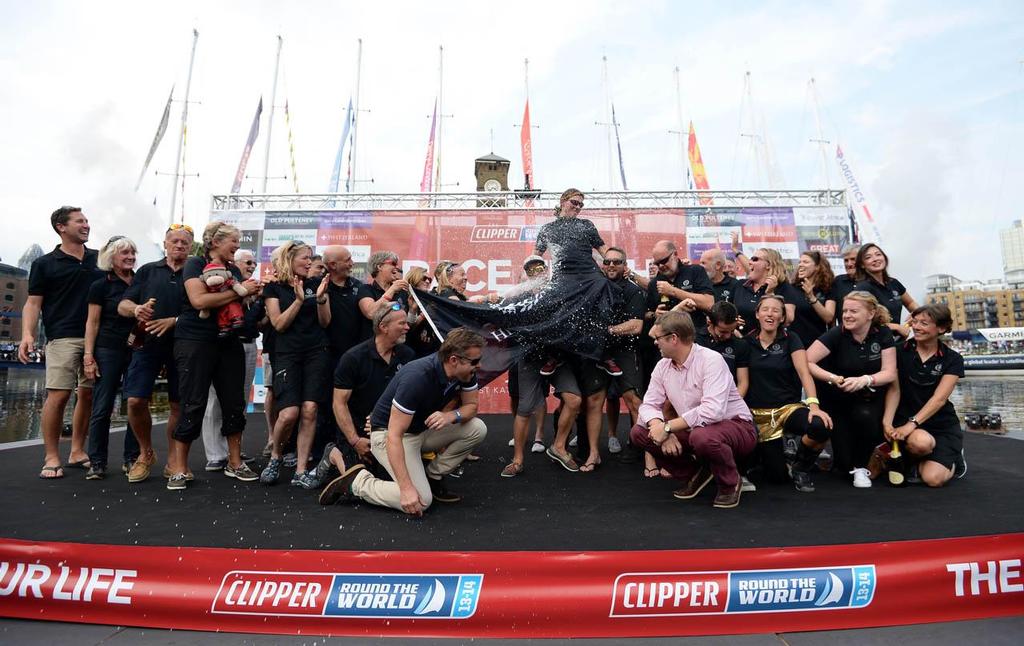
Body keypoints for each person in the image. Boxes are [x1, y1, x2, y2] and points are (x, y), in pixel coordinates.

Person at [318, 328, 488, 515]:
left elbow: (471, 406)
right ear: (454, 360)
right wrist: (406, 489)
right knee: (422, 501)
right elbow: (394, 435)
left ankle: (433, 476)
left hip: (420, 431)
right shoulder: (419, 377)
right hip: (387, 436)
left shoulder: (466, 374)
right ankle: (357, 483)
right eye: (475, 361)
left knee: (477, 428)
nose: (479, 365)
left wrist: (450, 416)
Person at [628, 311, 757, 509]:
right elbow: (649, 405)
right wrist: (660, 427)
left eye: (658, 338)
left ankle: (730, 483)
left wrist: (669, 427)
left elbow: (712, 412)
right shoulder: (662, 366)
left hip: (738, 427)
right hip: (694, 429)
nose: (655, 342)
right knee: (639, 433)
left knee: (702, 437)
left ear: (673, 338)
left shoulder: (711, 360)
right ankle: (697, 473)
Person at [169, 221, 262, 491]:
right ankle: (179, 468)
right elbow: (199, 301)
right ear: (215, 243)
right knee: (193, 402)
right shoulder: (195, 265)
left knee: (233, 402)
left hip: (228, 340)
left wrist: (251, 295)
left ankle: (235, 462)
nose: (237, 246)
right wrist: (239, 291)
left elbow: (233, 302)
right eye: (233, 241)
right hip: (195, 340)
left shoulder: (233, 269)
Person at [20, 206, 104, 479]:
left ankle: (77, 450)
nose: (87, 225)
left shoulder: (100, 259)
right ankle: (51, 455)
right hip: (63, 336)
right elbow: (33, 303)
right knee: (58, 395)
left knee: (88, 393)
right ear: (61, 227)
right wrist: (28, 334)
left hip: (99, 337)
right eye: (80, 221)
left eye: (87, 221)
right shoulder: (44, 263)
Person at [118, 223, 192, 482]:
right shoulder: (148, 271)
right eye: (175, 240)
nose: (179, 245)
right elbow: (124, 304)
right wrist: (136, 309)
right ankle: (145, 452)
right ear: (165, 243)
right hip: (147, 344)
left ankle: (174, 459)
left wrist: (174, 320)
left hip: (183, 345)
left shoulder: (196, 272)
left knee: (177, 405)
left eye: (184, 242)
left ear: (191, 246)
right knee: (135, 401)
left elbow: (205, 309)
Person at [313, 302, 415, 485]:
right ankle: (333, 453)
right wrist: (354, 440)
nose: (408, 327)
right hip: (357, 431)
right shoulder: (353, 358)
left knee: (397, 482)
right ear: (383, 327)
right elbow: (339, 403)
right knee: (356, 488)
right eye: (402, 323)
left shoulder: (407, 355)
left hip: (390, 428)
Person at [743, 295, 833, 492]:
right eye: (765, 309)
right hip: (757, 414)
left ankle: (801, 468)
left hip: (787, 409)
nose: (770, 313)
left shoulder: (791, 338)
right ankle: (771, 458)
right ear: (757, 314)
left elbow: (804, 373)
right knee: (777, 478)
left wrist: (814, 406)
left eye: (776, 310)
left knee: (820, 426)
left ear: (782, 317)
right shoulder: (746, 342)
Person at [259, 241, 331, 488]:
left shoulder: (316, 284)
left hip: (316, 353)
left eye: (311, 258)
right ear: (289, 259)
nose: (310, 262)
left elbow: (325, 322)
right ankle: (276, 457)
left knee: (310, 409)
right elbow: (278, 324)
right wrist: (299, 301)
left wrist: (320, 299)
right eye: (305, 258)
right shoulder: (273, 289)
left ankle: (301, 469)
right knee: (289, 413)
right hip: (287, 354)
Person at [806, 291, 896, 486]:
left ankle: (863, 466)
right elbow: (808, 360)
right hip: (839, 401)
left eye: (854, 311)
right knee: (843, 466)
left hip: (869, 399)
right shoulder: (837, 333)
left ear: (871, 314)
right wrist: (832, 378)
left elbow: (889, 373)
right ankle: (860, 459)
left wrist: (866, 379)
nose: (847, 315)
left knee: (865, 416)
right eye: (845, 310)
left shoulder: (882, 333)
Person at [882, 303, 966, 487]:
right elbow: (894, 390)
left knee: (933, 479)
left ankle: (954, 458)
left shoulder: (952, 359)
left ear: (941, 328)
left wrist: (912, 424)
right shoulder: (897, 351)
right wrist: (887, 423)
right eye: (915, 322)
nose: (917, 327)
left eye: (924, 323)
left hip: (939, 424)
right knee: (921, 443)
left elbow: (939, 399)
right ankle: (914, 459)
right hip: (905, 421)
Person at [83, 236, 140, 479]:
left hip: (137, 348)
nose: (129, 257)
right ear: (111, 257)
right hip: (107, 349)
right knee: (102, 406)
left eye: (132, 252)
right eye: (124, 253)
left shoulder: (141, 281)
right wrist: (88, 355)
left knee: (136, 404)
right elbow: (92, 322)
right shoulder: (100, 285)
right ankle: (97, 461)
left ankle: (132, 459)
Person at [201, 249, 261, 471]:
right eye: (247, 262)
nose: (252, 266)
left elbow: (255, 320)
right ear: (234, 265)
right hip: (222, 345)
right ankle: (216, 454)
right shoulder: (220, 285)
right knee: (214, 401)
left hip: (247, 345)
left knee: (239, 401)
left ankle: (233, 448)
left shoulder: (251, 290)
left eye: (254, 262)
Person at [599, 246, 646, 454]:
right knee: (599, 398)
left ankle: (641, 448)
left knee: (633, 400)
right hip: (599, 351)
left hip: (626, 351)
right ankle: (610, 436)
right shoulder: (596, 287)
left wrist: (606, 330)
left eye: (616, 262)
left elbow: (636, 326)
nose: (611, 265)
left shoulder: (633, 289)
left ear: (624, 265)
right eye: (607, 261)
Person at [854, 243, 920, 337]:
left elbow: (910, 303)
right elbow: (860, 321)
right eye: (868, 257)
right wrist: (896, 327)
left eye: (878, 254)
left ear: (884, 258)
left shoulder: (894, 283)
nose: (875, 259)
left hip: (896, 342)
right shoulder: (862, 288)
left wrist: (918, 313)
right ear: (862, 265)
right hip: (874, 344)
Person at [731, 248, 798, 333]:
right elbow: (726, 311)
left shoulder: (783, 287)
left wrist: (770, 294)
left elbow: (788, 319)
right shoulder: (740, 285)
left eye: (755, 259)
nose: (749, 262)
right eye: (751, 259)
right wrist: (732, 320)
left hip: (770, 341)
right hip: (741, 341)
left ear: (769, 265)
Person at [696, 301, 750, 394]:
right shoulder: (695, 339)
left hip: (728, 400)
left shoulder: (740, 345)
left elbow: (743, 383)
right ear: (710, 322)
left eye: (732, 330)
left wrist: (733, 404)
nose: (728, 335)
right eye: (723, 332)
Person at [789, 250, 836, 347]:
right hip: (795, 345)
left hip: (819, 344)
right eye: (799, 262)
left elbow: (829, 318)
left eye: (805, 262)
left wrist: (811, 297)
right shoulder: (792, 288)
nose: (800, 265)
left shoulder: (827, 288)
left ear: (817, 267)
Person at [357, 250, 408, 339]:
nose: (397, 267)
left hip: (399, 346)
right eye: (393, 263)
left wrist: (413, 311)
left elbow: (407, 324)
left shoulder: (402, 293)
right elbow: (371, 313)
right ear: (380, 266)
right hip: (373, 346)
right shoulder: (365, 289)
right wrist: (391, 290)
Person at [830, 244, 861, 323]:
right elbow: (832, 315)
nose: (849, 264)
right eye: (846, 260)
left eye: (853, 259)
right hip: (844, 332)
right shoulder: (838, 281)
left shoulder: (870, 281)